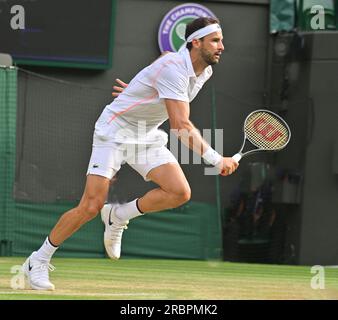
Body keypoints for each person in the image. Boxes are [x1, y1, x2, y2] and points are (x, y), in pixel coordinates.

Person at [22, 17, 239, 290]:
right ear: (196, 42)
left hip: (145, 133)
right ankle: (38, 260)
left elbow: (159, 79)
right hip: (115, 131)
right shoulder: (174, 67)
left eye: (221, 40)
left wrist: (138, 93)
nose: (222, 46)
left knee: (179, 192)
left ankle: (119, 215)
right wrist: (217, 160)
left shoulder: (203, 71)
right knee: (90, 205)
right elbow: (180, 125)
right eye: (215, 41)